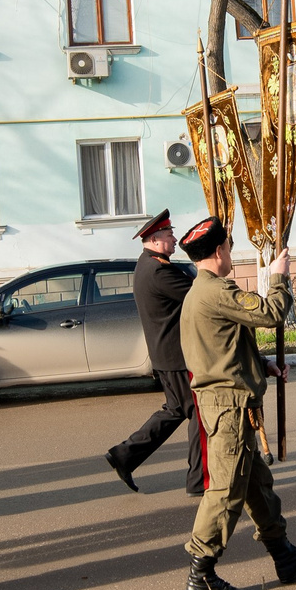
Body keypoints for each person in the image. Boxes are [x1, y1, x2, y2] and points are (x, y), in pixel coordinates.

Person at [177, 215, 296, 590]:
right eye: (229, 247)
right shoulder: (216, 291)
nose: (232, 253)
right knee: (225, 492)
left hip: (230, 404)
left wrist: (262, 366)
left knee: (257, 487)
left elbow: (225, 349)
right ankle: (201, 574)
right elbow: (271, 313)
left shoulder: (201, 292)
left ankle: (284, 555)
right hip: (228, 408)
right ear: (219, 251)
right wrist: (278, 276)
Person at [105, 210, 204, 497]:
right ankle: (198, 481)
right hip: (177, 357)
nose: (174, 239)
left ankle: (125, 455)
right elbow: (199, 296)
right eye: (170, 235)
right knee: (199, 414)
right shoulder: (159, 270)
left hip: (166, 356)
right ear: (155, 240)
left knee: (176, 410)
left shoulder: (147, 265)